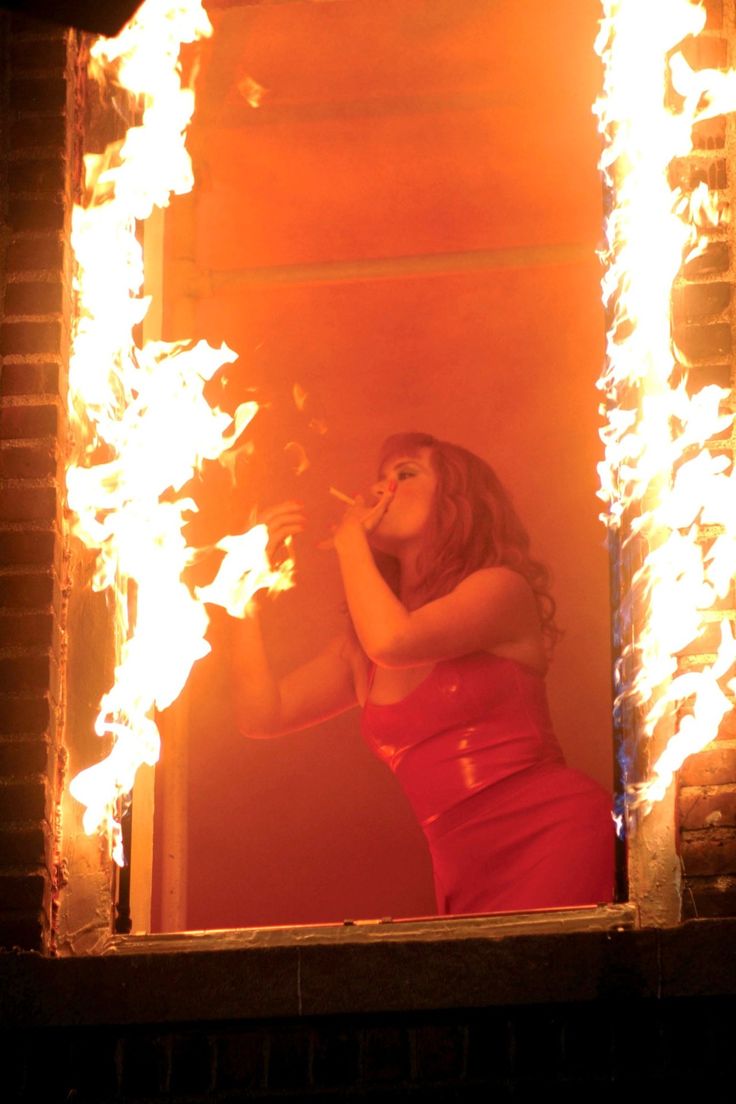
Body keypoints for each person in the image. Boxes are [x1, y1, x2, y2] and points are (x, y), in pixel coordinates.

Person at [233, 432, 614, 915]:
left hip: (551, 836)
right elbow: (261, 715)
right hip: (461, 868)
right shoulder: (360, 651)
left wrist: (349, 540)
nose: (380, 490)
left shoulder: (500, 590)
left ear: (457, 501)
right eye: (378, 479)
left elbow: (395, 641)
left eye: (405, 475)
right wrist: (242, 586)